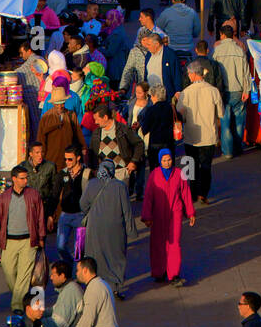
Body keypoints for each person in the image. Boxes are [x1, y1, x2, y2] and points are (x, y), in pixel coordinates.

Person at [0, 164, 46, 312]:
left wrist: (42, 236)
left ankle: (18, 307)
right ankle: (23, 298)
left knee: (24, 275)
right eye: (22, 178)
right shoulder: (4, 198)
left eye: (26, 178)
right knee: (9, 271)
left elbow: (40, 217)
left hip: (28, 241)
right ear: (14, 179)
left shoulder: (33, 195)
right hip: (9, 242)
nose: (26, 181)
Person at [79, 158, 138, 298]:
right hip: (115, 230)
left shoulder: (91, 184)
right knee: (116, 258)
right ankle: (116, 287)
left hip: (95, 229)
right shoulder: (120, 186)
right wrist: (131, 230)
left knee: (96, 256)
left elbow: (83, 205)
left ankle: (96, 287)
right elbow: (127, 211)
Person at [141, 148, 196, 285]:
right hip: (158, 214)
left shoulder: (179, 173)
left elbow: (185, 194)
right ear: (160, 161)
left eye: (169, 159)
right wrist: (147, 216)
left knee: (174, 243)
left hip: (175, 213)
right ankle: (159, 272)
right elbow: (148, 197)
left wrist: (190, 212)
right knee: (158, 243)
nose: (167, 163)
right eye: (164, 160)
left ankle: (174, 274)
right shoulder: (154, 175)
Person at [174, 60, 223, 203]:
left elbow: (179, 114)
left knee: (191, 164)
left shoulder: (185, 93)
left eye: (189, 73)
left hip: (191, 135)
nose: (188, 76)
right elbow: (220, 113)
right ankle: (203, 193)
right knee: (206, 165)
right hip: (209, 134)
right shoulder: (213, 91)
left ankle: (193, 192)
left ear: (195, 74)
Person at [214, 23, 251, 157]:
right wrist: (247, 90)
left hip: (223, 91)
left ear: (222, 35)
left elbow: (214, 72)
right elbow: (246, 72)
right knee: (239, 122)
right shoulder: (239, 50)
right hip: (239, 90)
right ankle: (238, 147)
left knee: (225, 122)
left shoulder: (217, 51)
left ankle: (228, 151)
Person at [89, 103, 145, 181]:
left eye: (97, 119)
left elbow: (139, 144)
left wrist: (133, 161)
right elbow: (91, 153)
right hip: (102, 175)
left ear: (105, 117)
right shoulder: (96, 133)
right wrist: (94, 169)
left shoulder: (123, 129)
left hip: (121, 173)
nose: (95, 122)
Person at [53, 147, 90, 263]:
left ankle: (77, 275)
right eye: (65, 159)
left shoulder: (87, 174)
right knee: (60, 247)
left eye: (70, 159)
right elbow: (55, 194)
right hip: (65, 215)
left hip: (80, 216)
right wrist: (50, 214)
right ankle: (69, 265)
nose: (67, 162)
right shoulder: (62, 174)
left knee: (79, 250)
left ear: (78, 158)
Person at [41, 259, 84, 327]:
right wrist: (38, 314)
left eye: (53, 274)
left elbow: (59, 323)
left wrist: (39, 325)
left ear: (62, 276)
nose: (51, 277)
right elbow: (54, 310)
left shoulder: (70, 291)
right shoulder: (68, 289)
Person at [156, 0, 198, 67]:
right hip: (187, 48)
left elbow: (158, 27)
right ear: (184, 0)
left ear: (172, 0)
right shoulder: (192, 13)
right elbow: (196, 32)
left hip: (172, 47)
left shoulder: (166, 13)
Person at [25, 141, 58, 230]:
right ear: (31, 154)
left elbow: (54, 191)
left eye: (42, 152)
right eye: (37, 153)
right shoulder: (23, 167)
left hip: (44, 208)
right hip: (27, 209)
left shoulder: (50, 167)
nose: (40, 155)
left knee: (41, 239)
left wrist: (51, 214)